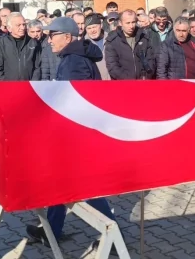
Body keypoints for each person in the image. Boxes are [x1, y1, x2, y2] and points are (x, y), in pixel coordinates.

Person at [26, 16, 118, 244]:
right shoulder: (73, 56)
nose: (48, 41)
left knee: (86, 189)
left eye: (52, 36)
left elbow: (75, 103)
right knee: (60, 185)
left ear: (67, 37)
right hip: (75, 136)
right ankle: (51, 232)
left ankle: (115, 238)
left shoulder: (74, 61)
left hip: (77, 138)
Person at [105, 10, 155, 80]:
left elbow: (150, 60)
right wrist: (129, 82)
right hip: (123, 85)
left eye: (133, 22)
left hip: (143, 84)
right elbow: (113, 67)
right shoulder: (112, 41)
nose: (131, 26)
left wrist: (145, 77)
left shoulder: (143, 37)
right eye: (127, 23)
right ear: (120, 23)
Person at [0, 12, 41, 82]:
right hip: (9, 87)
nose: (22, 27)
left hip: (29, 86)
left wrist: (33, 83)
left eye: (24, 24)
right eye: (18, 25)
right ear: (9, 28)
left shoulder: (32, 42)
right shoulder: (1, 43)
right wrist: (6, 85)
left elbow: (37, 67)